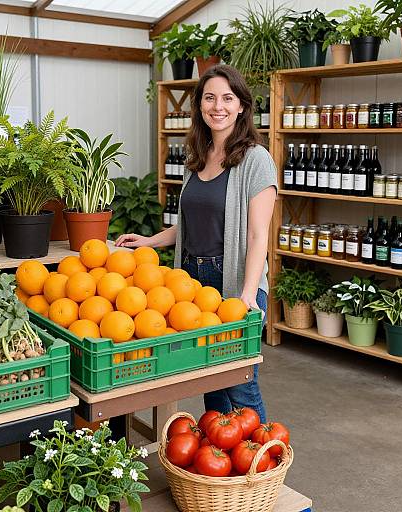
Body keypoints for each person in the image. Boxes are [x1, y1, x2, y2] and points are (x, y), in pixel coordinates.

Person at [115, 64, 277, 422]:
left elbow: (257, 234)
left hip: (234, 280)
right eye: (209, 98)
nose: (217, 106)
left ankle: (263, 462)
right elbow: (188, 226)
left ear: (241, 106)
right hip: (191, 280)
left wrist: (248, 294)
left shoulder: (256, 160)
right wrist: (149, 241)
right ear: (200, 106)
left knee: (239, 384)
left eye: (227, 98)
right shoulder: (197, 159)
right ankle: (217, 470)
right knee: (209, 382)